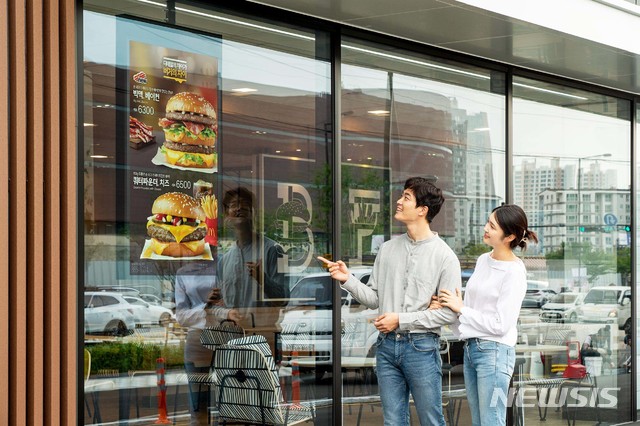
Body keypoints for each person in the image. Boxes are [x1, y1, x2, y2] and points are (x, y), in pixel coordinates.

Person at [318, 177, 461, 426]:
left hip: (422, 349)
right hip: (385, 348)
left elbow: (449, 314)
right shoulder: (387, 249)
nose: (398, 201)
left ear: (422, 210)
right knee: (393, 422)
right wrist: (347, 279)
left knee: (432, 420)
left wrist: (400, 320)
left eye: (406, 197)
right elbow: (374, 299)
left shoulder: (445, 257)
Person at [434, 204, 537, 426]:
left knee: (491, 421)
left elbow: (501, 324)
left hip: (495, 352)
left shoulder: (515, 272)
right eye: (487, 222)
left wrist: (460, 308)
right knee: (479, 421)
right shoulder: (483, 260)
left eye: (492, 226)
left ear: (509, 236)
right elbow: (470, 309)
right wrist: (449, 307)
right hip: (472, 349)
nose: (485, 228)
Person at [175, 260, 239, 426]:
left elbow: (236, 305)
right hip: (198, 339)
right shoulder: (183, 273)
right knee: (198, 405)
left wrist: (225, 307)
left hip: (226, 337)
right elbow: (181, 316)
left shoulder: (225, 266)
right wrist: (205, 307)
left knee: (229, 401)